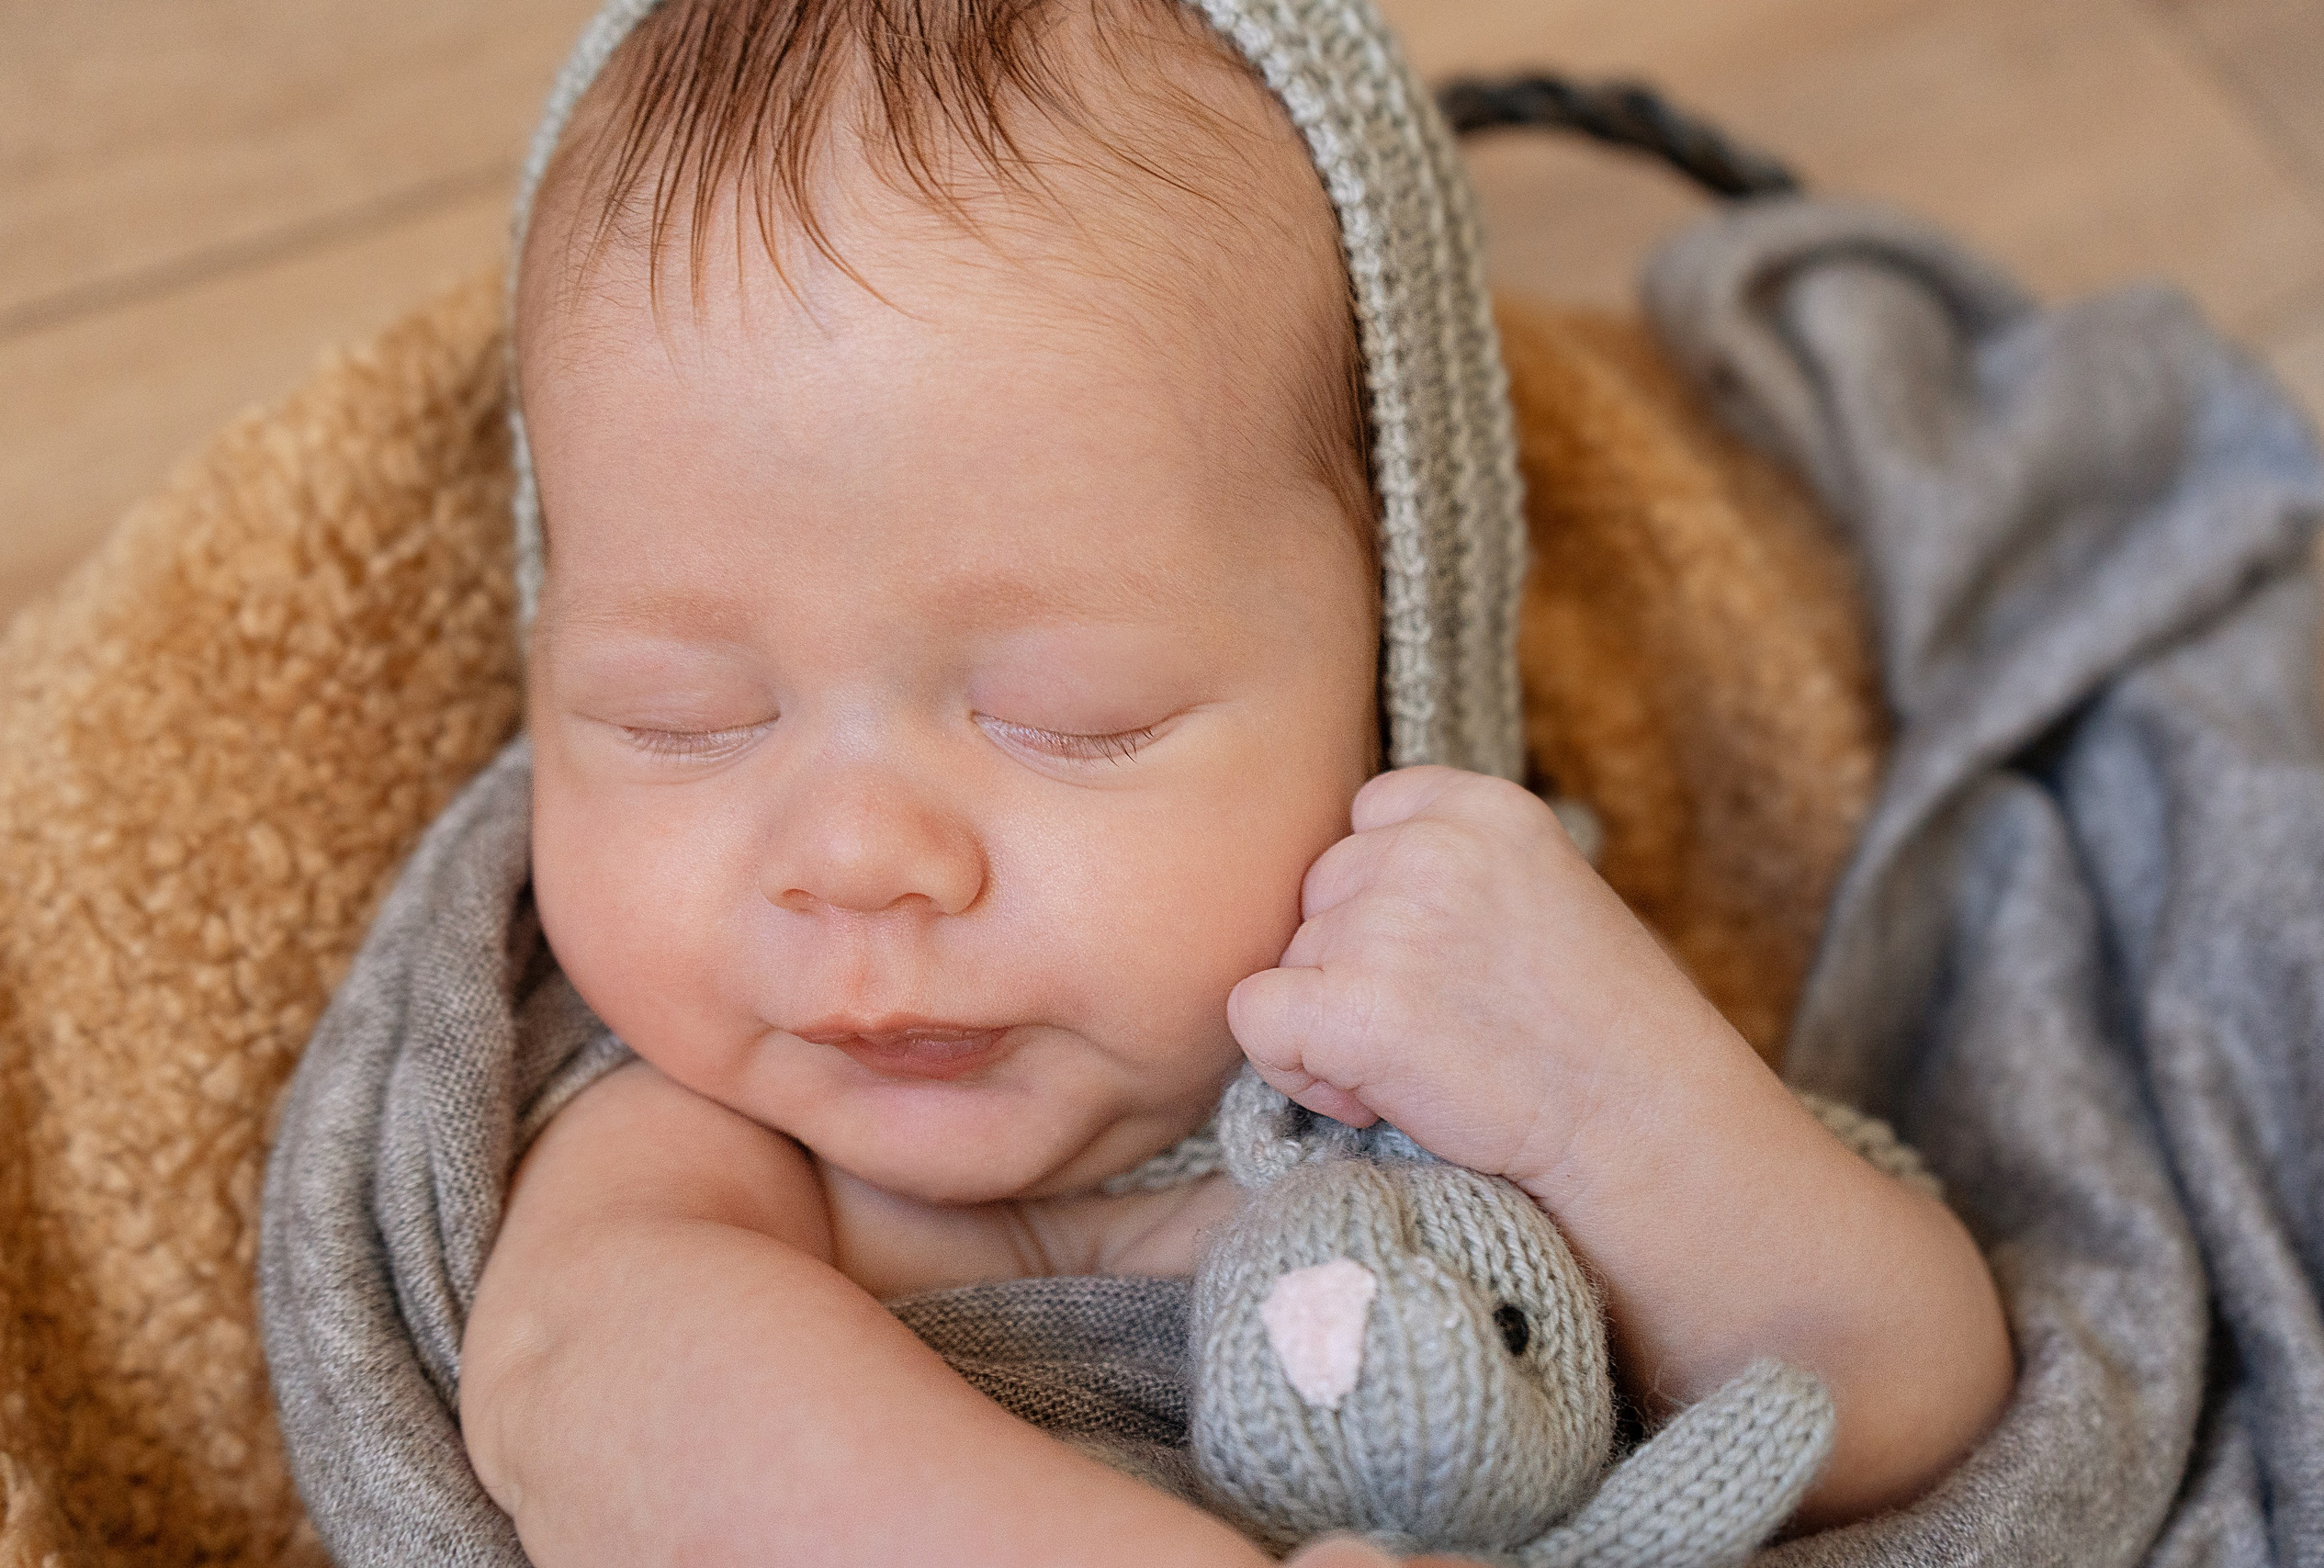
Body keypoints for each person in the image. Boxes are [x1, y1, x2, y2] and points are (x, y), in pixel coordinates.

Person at [456, 0, 2014, 1561]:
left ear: (1396, 663)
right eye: (682, 718)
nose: (860, 856)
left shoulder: (1459, 1028)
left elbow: (1901, 1408)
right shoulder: (679, 1154)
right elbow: (587, 1384)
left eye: (1075, 715)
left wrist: (1608, 1097)